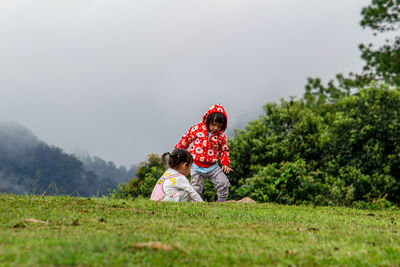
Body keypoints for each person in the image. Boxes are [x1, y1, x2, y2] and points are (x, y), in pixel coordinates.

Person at [175, 104, 232, 202]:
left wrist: (225, 163)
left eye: (219, 126)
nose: (215, 128)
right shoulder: (197, 129)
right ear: (208, 120)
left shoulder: (221, 136)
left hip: (213, 167)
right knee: (196, 189)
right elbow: (186, 140)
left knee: (224, 183)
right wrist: (177, 153)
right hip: (196, 166)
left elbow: (224, 150)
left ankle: (221, 203)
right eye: (214, 124)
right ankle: (197, 205)